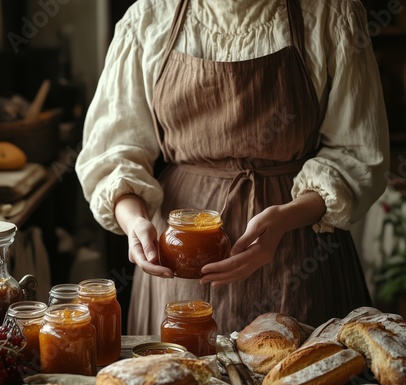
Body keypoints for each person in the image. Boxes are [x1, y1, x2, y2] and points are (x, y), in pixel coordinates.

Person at [75, 0, 389, 337]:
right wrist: (133, 219)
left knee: (297, 377)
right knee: (177, 378)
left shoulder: (331, 14)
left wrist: (286, 218)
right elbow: (116, 150)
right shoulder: (149, 18)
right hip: (180, 260)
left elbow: (356, 151)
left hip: (298, 250)